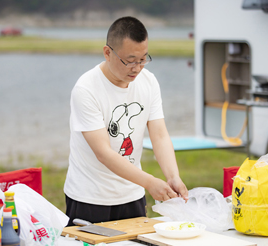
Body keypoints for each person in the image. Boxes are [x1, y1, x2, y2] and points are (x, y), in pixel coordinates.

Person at [64, 16, 188, 226]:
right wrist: (150, 182)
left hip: (132, 194)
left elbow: (159, 135)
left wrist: (172, 176)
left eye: (143, 59)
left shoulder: (148, 82)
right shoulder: (86, 89)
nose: (137, 68)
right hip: (89, 197)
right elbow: (103, 153)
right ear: (107, 52)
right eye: (130, 60)